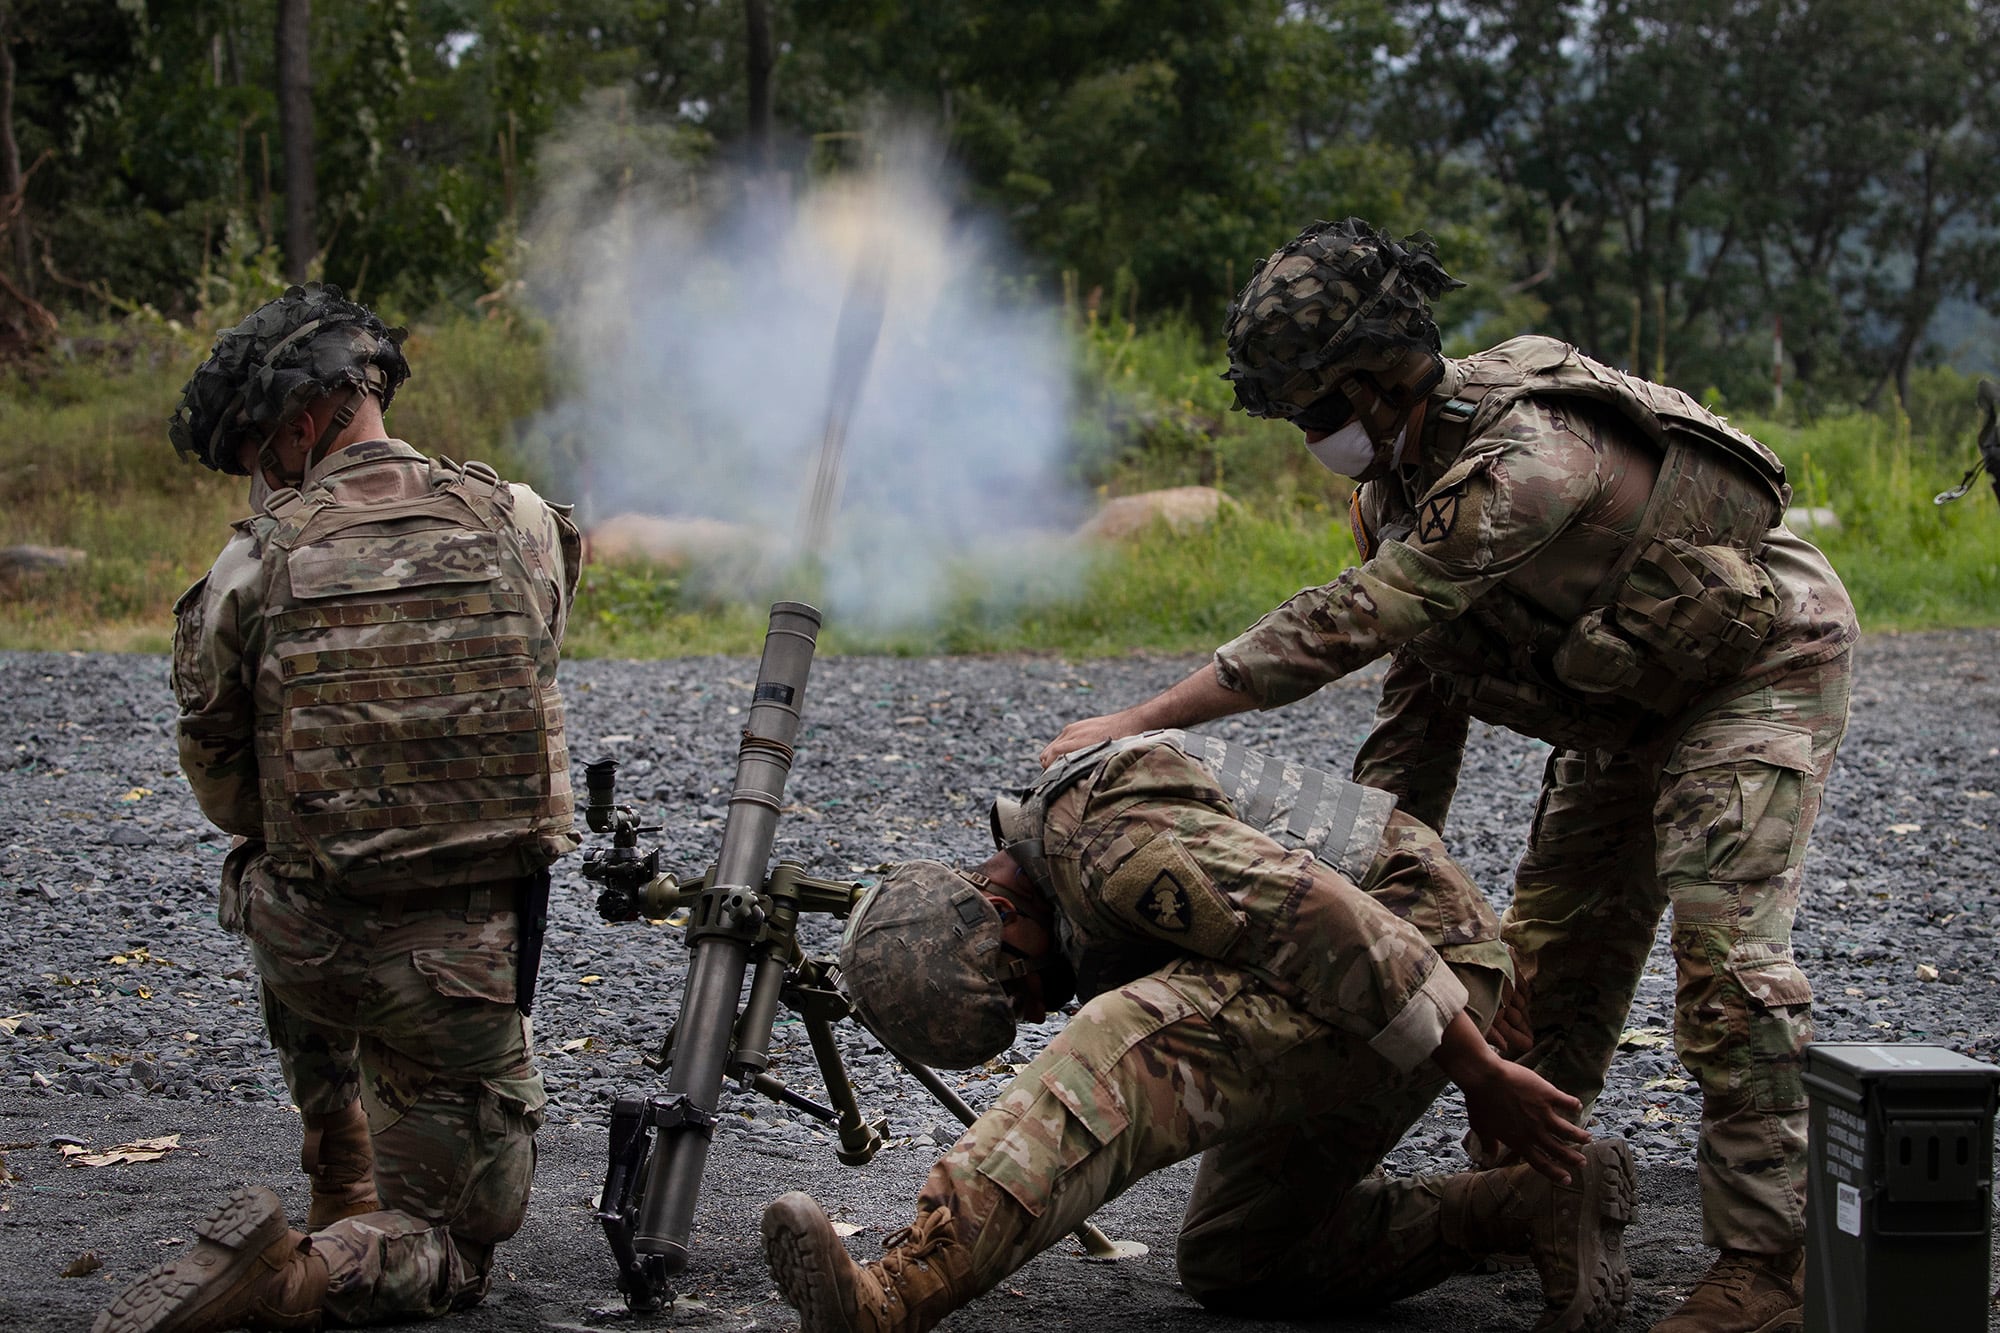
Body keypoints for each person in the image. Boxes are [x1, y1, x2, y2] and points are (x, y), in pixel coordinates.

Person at [1042, 219, 1856, 1333]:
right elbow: (1416, 707)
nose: (1311, 436)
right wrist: (1391, 891)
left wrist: (1139, 717)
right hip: (1623, 708)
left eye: (1318, 413)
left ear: (1377, 379)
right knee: (1547, 964)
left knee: (1723, 958)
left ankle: (1767, 1266)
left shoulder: (1530, 465)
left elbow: (1352, 622)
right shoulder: (1394, 490)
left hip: (1755, 670)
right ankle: (1541, 1190)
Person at [761, 729, 1638, 1333]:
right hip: (1399, 965)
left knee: (1125, 1048)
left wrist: (1480, 1067)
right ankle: (1531, 1202)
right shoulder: (1077, 863)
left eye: (1017, 990)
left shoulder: (1102, 844)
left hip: (1390, 960)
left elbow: (1316, 910)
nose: (1032, 1013)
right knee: (1242, 1256)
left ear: (997, 909)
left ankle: (896, 1294)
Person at [96, 284, 582, 1333]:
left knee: (268, 866)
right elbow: (533, 654)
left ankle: (335, 1149)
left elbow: (226, 787)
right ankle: (304, 1275)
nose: (262, 481)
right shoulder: (523, 525)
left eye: (260, 453)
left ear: (306, 423)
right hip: (459, 972)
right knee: (453, 1241)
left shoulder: (249, 565)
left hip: (309, 950)